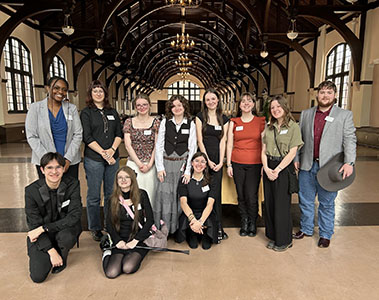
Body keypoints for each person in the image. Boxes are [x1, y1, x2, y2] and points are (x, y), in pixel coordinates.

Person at [293, 80, 356, 248]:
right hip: (307, 164)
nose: (325, 95)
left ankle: (325, 234)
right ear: (317, 95)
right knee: (305, 200)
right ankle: (306, 229)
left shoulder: (344, 115)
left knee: (326, 202)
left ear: (334, 95)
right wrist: (296, 158)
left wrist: (349, 162)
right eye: (322, 92)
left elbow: (350, 140)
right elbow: (298, 140)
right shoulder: (306, 114)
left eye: (329, 92)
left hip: (330, 168)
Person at [25, 152, 82, 283]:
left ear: (63, 168)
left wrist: (44, 228)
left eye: (58, 167)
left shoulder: (72, 185)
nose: (54, 172)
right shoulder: (31, 191)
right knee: (38, 277)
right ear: (42, 170)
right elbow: (34, 225)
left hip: (63, 230)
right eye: (49, 168)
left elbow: (74, 215)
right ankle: (53, 250)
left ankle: (63, 253)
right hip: (41, 234)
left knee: (66, 236)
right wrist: (51, 251)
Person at [80, 80, 123, 241]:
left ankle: (109, 224)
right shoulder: (86, 113)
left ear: (105, 94)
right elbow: (87, 136)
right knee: (94, 195)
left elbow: (119, 133)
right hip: (94, 159)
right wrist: (104, 153)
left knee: (111, 194)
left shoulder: (112, 111)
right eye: (95, 91)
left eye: (101, 90)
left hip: (113, 158)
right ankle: (95, 227)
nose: (98, 93)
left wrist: (111, 151)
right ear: (90, 94)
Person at [261, 96, 303, 252]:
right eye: (272, 107)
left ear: (285, 108)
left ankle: (284, 239)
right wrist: (266, 168)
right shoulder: (268, 127)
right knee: (270, 204)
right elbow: (263, 150)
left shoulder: (293, 127)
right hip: (269, 166)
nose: (275, 109)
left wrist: (277, 170)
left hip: (283, 167)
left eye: (278, 106)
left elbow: (293, 152)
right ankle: (273, 236)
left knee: (281, 205)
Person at [154, 95, 197, 234]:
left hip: (181, 166)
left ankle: (178, 229)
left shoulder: (191, 124)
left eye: (180, 105)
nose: (177, 108)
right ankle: (164, 229)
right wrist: (160, 168)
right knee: (165, 197)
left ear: (184, 107)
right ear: (170, 108)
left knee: (179, 197)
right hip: (166, 165)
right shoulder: (165, 122)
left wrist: (188, 171)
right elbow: (159, 146)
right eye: (173, 106)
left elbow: (193, 148)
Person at [25, 76, 82, 179]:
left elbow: (78, 134)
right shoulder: (35, 108)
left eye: (64, 90)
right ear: (47, 88)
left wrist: (68, 159)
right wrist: (49, 160)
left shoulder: (71, 109)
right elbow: (31, 136)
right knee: (47, 193)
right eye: (56, 88)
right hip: (44, 161)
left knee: (70, 192)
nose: (60, 92)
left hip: (69, 161)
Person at [102, 166, 154, 278]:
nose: (123, 180)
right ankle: (106, 253)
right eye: (120, 177)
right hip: (120, 240)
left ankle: (135, 253)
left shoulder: (142, 195)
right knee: (111, 273)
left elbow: (150, 221)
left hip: (137, 239)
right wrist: (117, 241)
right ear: (116, 181)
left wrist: (135, 241)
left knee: (128, 267)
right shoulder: (112, 199)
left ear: (132, 179)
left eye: (127, 177)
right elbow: (109, 224)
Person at [226, 92, 265, 237]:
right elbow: (229, 144)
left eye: (249, 101)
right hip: (237, 163)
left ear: (254, 104)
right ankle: (244, 221)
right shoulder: (234, 122)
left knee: (251, 195)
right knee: (241, 195)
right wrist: (229, 164)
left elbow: (264, 144)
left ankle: (253, 223)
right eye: (243, 101)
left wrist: (263, 165)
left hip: (255, 163)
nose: (246, 103)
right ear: (239, 105)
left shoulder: (261, 121)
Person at [195, 88, 229, 242]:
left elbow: (223, 141)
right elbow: (199, 140)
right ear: (204, 102)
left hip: (218, 161)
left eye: (213, 99)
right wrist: (207, 160)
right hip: (203, 160)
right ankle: (202, 227)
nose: (211, 102)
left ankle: (218, 227)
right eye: (208, 99)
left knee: (216, 194)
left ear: (218, 100)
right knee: (203, 193)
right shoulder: (200, 117)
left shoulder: (225, 119)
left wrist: (221, 161)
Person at [123, 94, 160, 209]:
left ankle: (150, 222)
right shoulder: (129, 122)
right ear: (135, 106)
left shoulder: (156, 122)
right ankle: (135, 220)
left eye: (144, 104)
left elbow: (157, 145)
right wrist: (139, 164)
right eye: (138, 105)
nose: (142, 107)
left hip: (151, 164)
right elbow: (128, 145)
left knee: (151, 193)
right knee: (133, 193)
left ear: (149, 106)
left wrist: (149, 164)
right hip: (134, 164)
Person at [175, 152, 217, 250]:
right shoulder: (184, 180)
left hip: (205, 213)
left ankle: (205, 233)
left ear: (206, 165)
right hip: (190, 213)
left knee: (206, 246)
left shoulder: (211, 180)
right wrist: (193, 220)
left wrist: (200, 222)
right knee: (193, 245)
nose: (199, 164)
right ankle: (192, 232)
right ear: (192, 163)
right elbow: (183, 203)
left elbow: (210, 204)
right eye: (196, 161)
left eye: (203, 162)